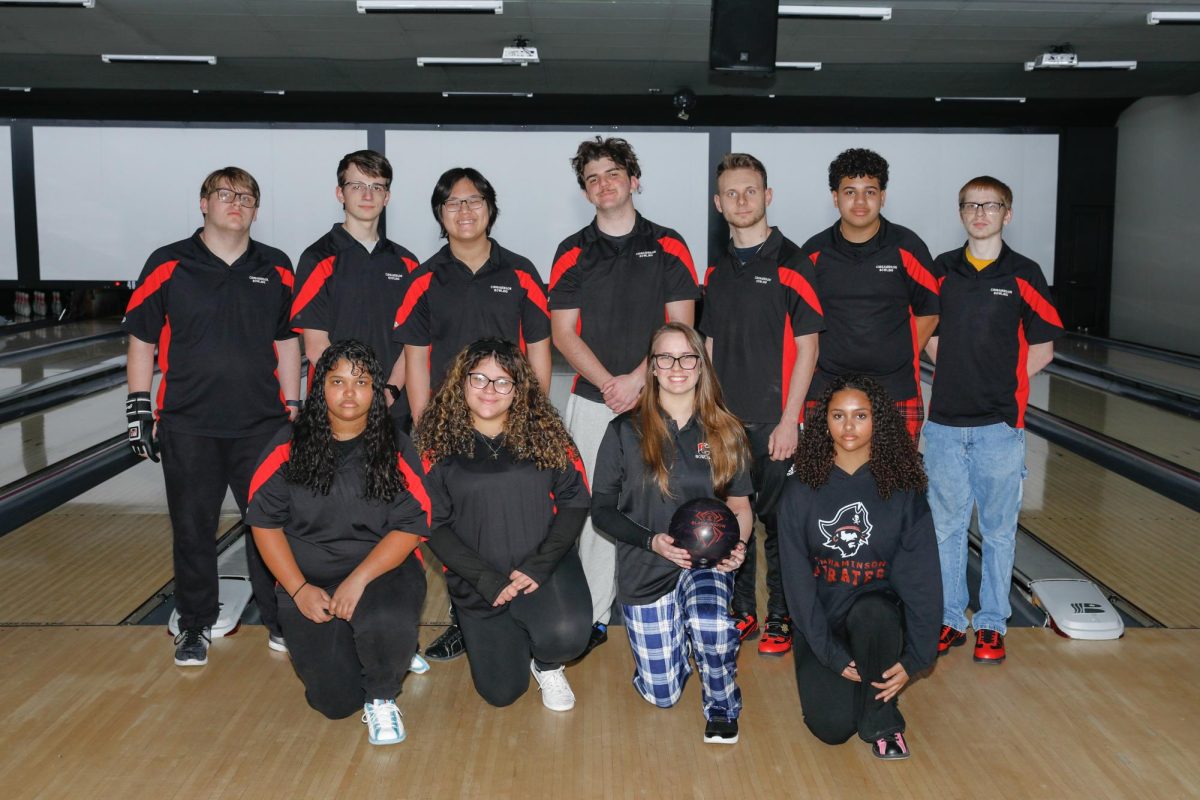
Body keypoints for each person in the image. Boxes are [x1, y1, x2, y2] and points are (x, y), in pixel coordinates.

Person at [123, 166, 300, 667]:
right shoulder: (169, 263)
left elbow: (287, 341)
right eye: (225, 194)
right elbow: (142, 338)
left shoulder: (277, 266)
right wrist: (138, 407)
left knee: (270, 525)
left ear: (256, 209)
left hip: (262, 424)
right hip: (187, 422)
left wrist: (292, 407)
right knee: (193, 529)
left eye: (246, 197)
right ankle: (194, 625)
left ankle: (281, 620)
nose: (236, 203)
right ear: (204, 202)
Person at [393, 166, 552, 661]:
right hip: (451, 431)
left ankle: (529, 613)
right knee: (455, 529)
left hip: (511, 423)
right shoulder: (424, 279)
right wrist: (426, 430)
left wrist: (534, 417)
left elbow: (541, 350)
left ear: (490, 207)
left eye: (474, 200)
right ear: (440, 214)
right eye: (453, 203)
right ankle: (467, 620)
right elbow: (416, 359)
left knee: (515, 524)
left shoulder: (520, 271)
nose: (465, 210)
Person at [551, 136, 701, 656]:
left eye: (612, 173)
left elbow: (681, 324)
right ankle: (594, 615)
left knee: (667, 502)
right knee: (599, 507)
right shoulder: (571, 250)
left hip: (664, 397)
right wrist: (612, 386)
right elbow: (564, 332)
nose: (603, 184)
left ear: (633, 180)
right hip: (594, 401)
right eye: (592, 178)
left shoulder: (669, 244)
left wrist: (640, 379)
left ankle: (666, 605)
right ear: (585, 191)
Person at [245, 340, 429, 746]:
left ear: (375, 389)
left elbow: (413, 525)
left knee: (382, 623)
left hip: (382, 573)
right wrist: (298, 588)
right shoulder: (287, 444)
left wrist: (359, 579)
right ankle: (383, 647)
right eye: (338, 381)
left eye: (361, 382)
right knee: (335, 702)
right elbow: (263, 522)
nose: (349, 392)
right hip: (308, 580)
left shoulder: (394, 446)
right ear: (320, 388)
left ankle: (384, 690)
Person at [591, 322, 752, 744]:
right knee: (661, 695)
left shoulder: (725, 431)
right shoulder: (624, 431)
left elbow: (739, 506)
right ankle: (674, 649)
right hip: (646, 564)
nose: (676, 366)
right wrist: (652, 541)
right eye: (665, 357)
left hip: (706, 562)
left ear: (701, 366)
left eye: (686, 357)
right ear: (653, 368)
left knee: (711, 622)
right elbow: (601, 511)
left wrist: (738, 545)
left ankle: (721, 705)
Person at [925, 176, 1063, 664]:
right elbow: (925, 334)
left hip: (1000, 425)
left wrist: (1001, 379)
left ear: (1008, 213)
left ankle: (991, 624)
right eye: (970, 205)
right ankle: (949, 618)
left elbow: (1044, 345)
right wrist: (959, 367)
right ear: (961, 212)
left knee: (1000, 531)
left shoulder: (1025, 273)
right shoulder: (941, 269)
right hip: (943, 424)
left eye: (990, 205)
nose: (979, 212)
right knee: (946, 528)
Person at [417, 338, 591, 711]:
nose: (489, 390)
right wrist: (484, 579)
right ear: (461, 383)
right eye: (479, 379)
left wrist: (539, 566)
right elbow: (433, 524)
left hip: (542, 568)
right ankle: (507, 633)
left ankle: (547, 664)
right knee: (501, 693)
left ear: (519, 388)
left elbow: (576, 500)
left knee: (568, 637)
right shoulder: (435, 445)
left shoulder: (547, 435)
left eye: (502, 381)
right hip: (479, 579)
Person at [778, 374, 941, 760]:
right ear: (824, 422)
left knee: (875, 611)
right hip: (821, 623)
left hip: (876, 620)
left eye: (860, 415)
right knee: (832, 730)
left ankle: (883, 719)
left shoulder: (902, 488)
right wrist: (831, 654)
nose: (848, 426)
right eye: (838, 415)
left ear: (877, 421)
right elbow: (797, 587)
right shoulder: (801, 488)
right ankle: (861, 685)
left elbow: (922, 578)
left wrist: (919, 654)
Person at [701, 152, 824, 655]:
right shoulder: (717, 270)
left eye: (751, 191)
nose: (742, 200)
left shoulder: (793, 264)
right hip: (727, 421)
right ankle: (742, 610)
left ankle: (782, 617)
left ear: (767, 196)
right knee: (734, 521)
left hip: (777, 422)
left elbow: (810, 346)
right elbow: (707, 346)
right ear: (718, 203)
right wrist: (705, 415)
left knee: (780, 526)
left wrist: (790, 421)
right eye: (732, 193)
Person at [799, 148, 940, 442]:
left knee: (897, 485)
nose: (860, 202)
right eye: (850, 192)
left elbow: (930, 309)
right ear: (835, 197)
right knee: (824, 485)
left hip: (895, 389)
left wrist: (901, 352)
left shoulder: (908, 247)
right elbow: (800, 320)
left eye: (870, 192)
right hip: (827, 390)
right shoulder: (813, 252)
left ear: (883, 196)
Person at [290, 150, 421, 424]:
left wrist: (388, 391)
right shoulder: (318, 258)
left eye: (377, 187)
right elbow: (315, 347)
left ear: (387, 197)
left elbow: (414, 343)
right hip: (336, 409)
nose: (367, 194)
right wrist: (355, 393)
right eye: (357, 186)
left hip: (392, 408)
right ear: (340, 193)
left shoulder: (407, 263)